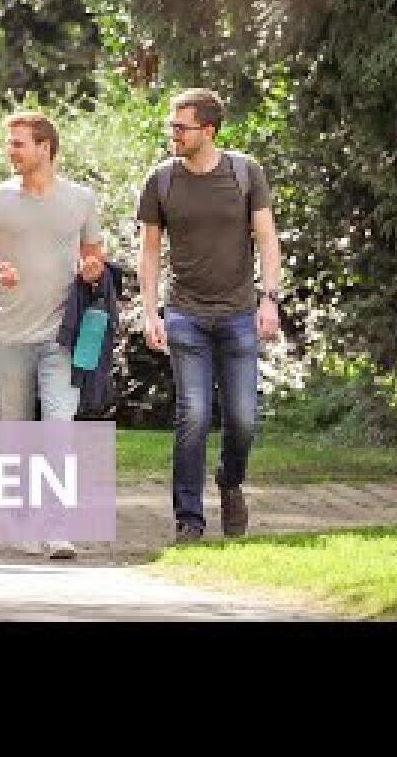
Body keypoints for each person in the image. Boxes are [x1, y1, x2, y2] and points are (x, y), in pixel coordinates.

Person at [135, 87, 283, 544]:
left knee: (243, 419)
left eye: (181, 127)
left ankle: (230, 481)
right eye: (171, 126)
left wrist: (270, 298)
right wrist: (150, 312)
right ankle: (189, 519)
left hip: (239, 313)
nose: (173, 134)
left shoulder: (244, 173)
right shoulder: (161, 181)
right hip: (185, 313)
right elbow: (149, 251)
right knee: (194, 414)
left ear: (208, 130)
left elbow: (266, 237)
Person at [0, 111, 105, 561]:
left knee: (58, 428)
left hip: (61, 334)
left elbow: (95, 258)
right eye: (9, 144)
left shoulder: (81, 199)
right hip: (7, 333)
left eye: (18, 143)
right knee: (17, 430)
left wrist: (92, 268)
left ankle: (57, 527)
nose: (10, 151)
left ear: (45, 147)